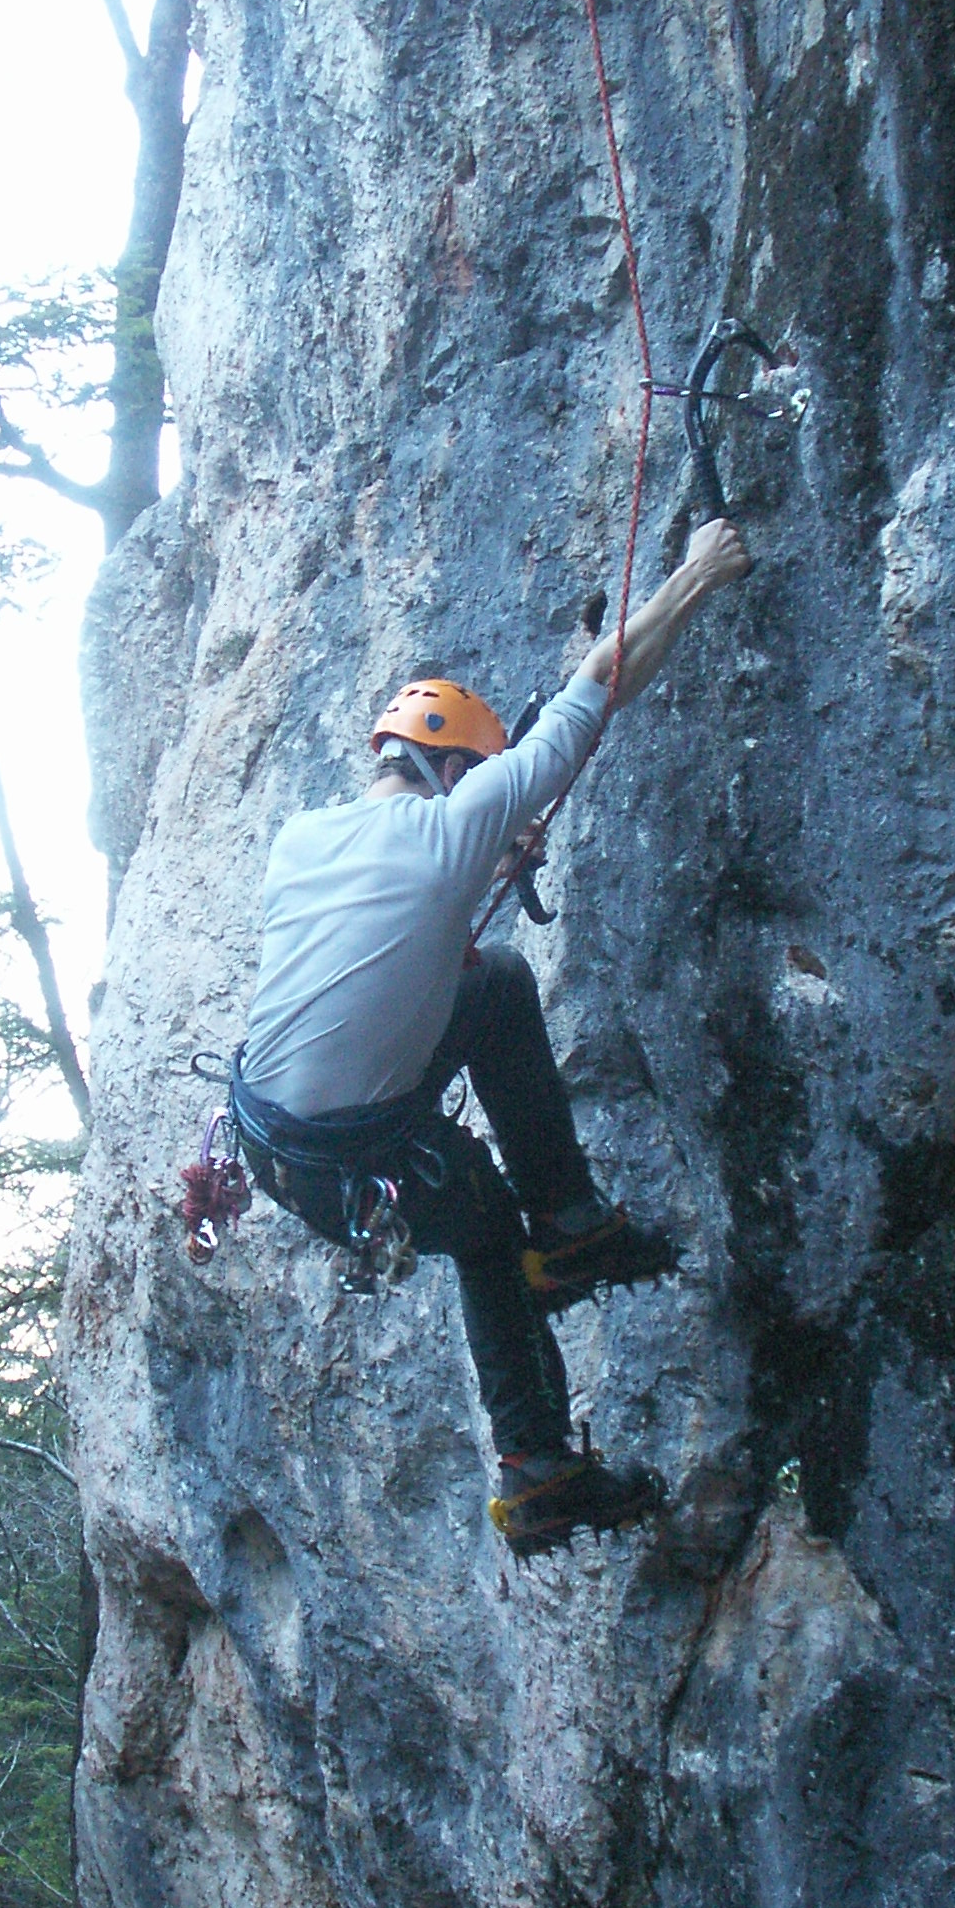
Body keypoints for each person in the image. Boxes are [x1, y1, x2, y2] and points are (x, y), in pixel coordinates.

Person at [229, 518, 753, 1557]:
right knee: (486, 1239)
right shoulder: (456, 825)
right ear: (457, 768)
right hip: (357, 1160)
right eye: (479, 775)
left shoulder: (302, 838)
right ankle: (539, 1465)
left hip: (273, 1141)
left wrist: (483, 864)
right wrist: (697, 573)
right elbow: (598, 687)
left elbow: (377, 939)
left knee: (498, 980)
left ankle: (573, 1218)